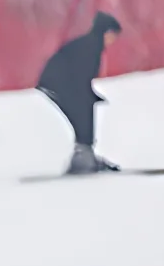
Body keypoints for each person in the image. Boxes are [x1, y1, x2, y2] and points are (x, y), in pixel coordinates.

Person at [35, 11, 123, 174]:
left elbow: (80, 77)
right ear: (106, 32)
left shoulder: (89, 44)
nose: (113, 41)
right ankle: (83, 156)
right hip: (57, 83)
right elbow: (79, 77)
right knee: (84, 109)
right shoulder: (91, 47)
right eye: (113, 36)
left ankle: (84, 154)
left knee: (84, 109)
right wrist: (89, 97)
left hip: (56, 83)